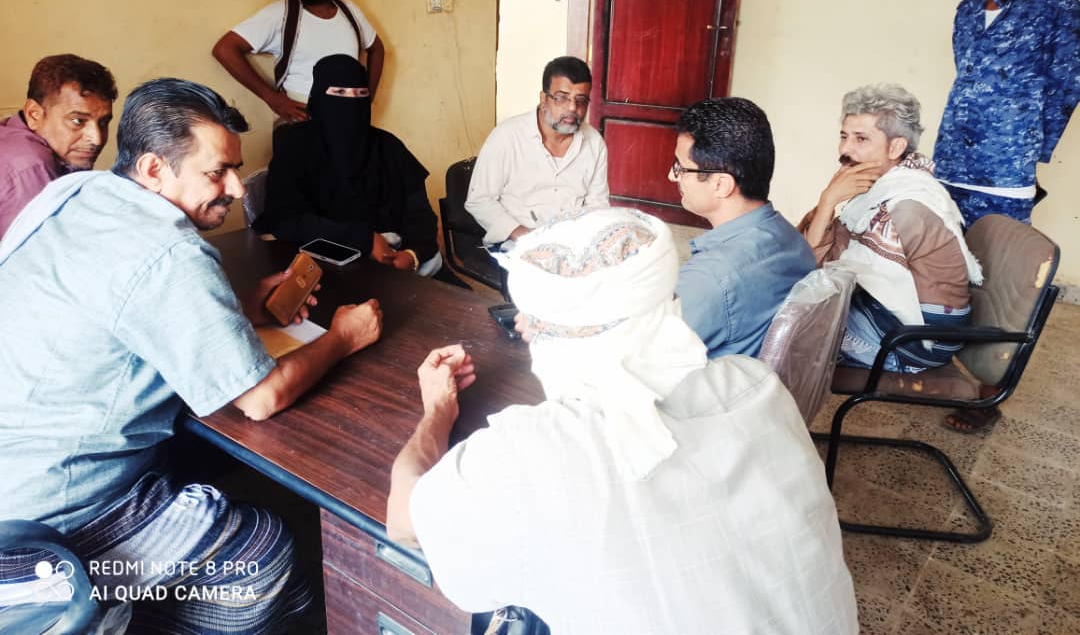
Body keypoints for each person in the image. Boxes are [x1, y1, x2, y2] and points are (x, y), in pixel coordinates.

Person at [0, 78, 382, 632]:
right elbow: (260, 399)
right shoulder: (170, 250)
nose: (236, 188)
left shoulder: (72, 193)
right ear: (154, 168)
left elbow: (115, 310)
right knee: (263, 552)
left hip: (11, 471)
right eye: (217, 172)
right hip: (48, 528)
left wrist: (236, 314)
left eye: (235, 169)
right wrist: (344, 337)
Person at [384, 207, 858, 634]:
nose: (523, 327)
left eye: (533, 319)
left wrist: (437, 410)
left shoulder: (532, 453)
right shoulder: (755, 384)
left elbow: (403, 520)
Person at [800, 84, 982, 381]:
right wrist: (827, 201)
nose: (845, 150)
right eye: (844, 136)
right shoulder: (880, 189)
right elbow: (814, 260)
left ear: (895, 148)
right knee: (781, 305)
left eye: (861, 139)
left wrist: (828, 201)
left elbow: (816, 267)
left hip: (917, 339)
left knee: (787, 331)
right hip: (885, 313)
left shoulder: (906, 204)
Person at [934, 0, 1080, 224]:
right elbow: (967, 76)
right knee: (943, 248)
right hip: (951, 161)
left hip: (1006, 170)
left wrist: (1028, 143)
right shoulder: (968, 8)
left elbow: (1067, 86)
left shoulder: (1055, 3)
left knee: (1000, 251)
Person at [255, 54, 457, 283]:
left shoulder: (388, 147)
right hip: (327, 265)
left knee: (460, 300)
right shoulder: (295, 145)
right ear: (318, 96)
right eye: (340, 92)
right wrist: (364, 240)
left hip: (399, 262)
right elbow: (286, 219)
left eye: (361, 93)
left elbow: (419, 213)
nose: (351, 103)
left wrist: (413, 255)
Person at [670, 98, 816, 358]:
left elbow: (641, 356)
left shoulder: (709, 279)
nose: (672, 176)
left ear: (721, 184)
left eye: (681, 167)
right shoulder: (792, 240)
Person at [212, 0, 386, 123]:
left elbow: (377, 49)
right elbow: (225, 49)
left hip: (350, 119)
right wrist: (272, 99)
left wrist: (366, 99)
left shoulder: (349, 9)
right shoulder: (281, 14)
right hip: (305, 120)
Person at [465, 56, 609, 248]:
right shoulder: (507, 136)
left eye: (581, 100)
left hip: (573, 246)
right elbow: (479, 200)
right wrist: (525, 236)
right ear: (544, 99)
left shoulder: (594, 143)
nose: (572, 108)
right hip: (516, 244)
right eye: (561, 98)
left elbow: (597, 206)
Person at [0, 53, 117, 237]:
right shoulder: (30, 167)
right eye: (78, 121)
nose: (97, 139)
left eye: (103, 123)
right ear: (33, 114)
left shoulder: (10, 133)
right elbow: (42, 252)